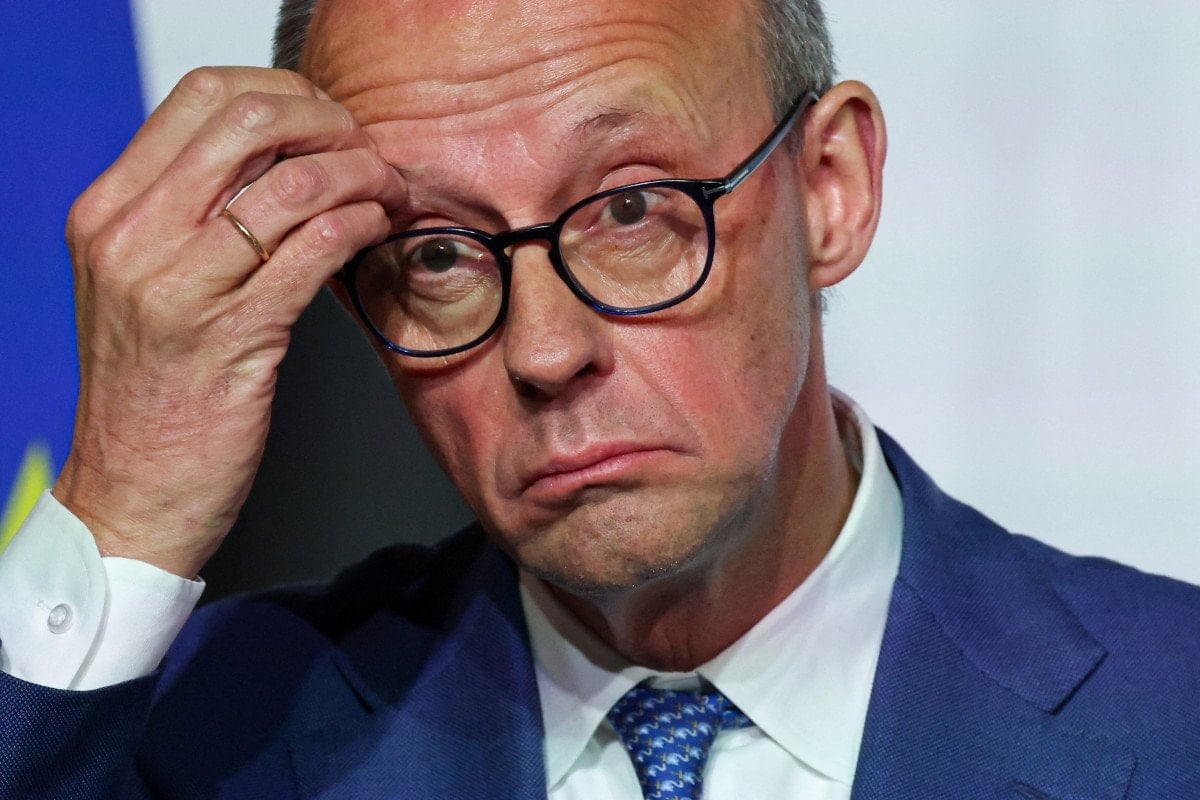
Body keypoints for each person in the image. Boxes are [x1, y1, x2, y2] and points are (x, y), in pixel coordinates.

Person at [2, 0, 1198, 797]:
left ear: (830, 188)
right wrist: (122, 504)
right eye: (437, 253)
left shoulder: (1173, 710)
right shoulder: (214, 729)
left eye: (630, 208)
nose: (543, 348)